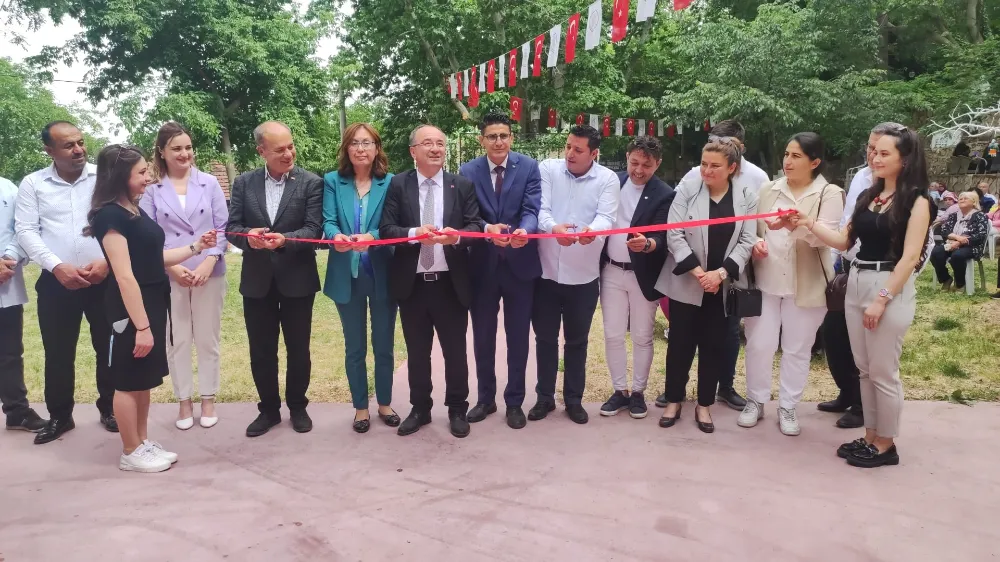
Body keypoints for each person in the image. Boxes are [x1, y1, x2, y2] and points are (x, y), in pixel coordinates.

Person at [787, 124, 933, 468]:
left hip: (888, 284)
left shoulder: (918, 200)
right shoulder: (871, 196)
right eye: (873, 151)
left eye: (885, 153)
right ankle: (871, 435)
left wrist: (883, 299)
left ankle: (886, 443)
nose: (875, 158)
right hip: (856, 280)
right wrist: (807, 222)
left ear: (906, 159)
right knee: (865, 370)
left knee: (883, 371)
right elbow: (842, 241)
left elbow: (911, 257)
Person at [84, 145, 217, 472]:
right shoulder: (109, 216)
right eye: (142, 172)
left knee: (142, 379)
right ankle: (130, 450)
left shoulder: (132, 210)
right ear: (120, 176)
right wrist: (141, 326)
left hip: (152, 303)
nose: (149, 176)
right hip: (130, 310)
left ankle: (141, 442)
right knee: (128, 380)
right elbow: (125, 275)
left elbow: (150, 258)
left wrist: (196, 247)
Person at [15, 121, 118, 444]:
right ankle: (60, 416)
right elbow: (26, 231)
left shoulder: (104, 178)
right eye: (68, 145)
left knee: (109, 347)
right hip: (57, 282)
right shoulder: (33, 184)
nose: (78, 150)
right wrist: (56, 266)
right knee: (58, 352)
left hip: (103, 278)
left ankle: (111, 408)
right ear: (49, 150)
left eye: (81, 142)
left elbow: (123, 221)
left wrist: (107, 262)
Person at [380, 124, 483, 438]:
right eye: (428, 143)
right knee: (417, 352)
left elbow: (475, 226)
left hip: (450, 284)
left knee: (455, 352)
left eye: (440, 143)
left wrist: (456, 238)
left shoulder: (460, 185)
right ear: (414, 151)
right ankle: (420, 409)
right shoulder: (398, 185)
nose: (436, 149)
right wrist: (414, 234)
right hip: (412, 285)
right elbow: (387, 229)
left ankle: (456, 409)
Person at [658, 119, 769, 410]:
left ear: (732, 166)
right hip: (688, 281)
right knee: (680, 345)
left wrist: (719, 275)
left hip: (723, 285)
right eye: (704, 164)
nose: (706, 171)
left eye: (714, 166)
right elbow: (675, 232)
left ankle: (705, 404)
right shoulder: (689, 187)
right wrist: (698, 272)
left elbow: (748, 239)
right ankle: (673, 400)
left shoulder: (747, 193)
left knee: (714, 346)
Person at [739, 133, 844, 436]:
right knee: (759, 345)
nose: (787, 161)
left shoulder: (829, 193)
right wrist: (757, 243)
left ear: (815, 161)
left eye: (796, 156)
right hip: (766, 280)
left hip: (807, 284)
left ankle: (788, 405)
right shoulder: (768, 189)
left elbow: (828, 238)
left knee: (797, 348)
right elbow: (753, 228)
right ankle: (755, 401)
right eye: (786, 154)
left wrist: (796, 226)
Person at [226, 121, 324, 438]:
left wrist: (285, 240)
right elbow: (233, 228)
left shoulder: (311, 183)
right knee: (262, 350)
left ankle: (297, 406)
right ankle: (268, 410)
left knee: (299, 349)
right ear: (261, 151)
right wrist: (248, 237)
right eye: (280, 149)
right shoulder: (243, 183)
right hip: (257, 282)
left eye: (290, 146)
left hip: (297, 279)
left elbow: (314, 230)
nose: (288, 153)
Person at [139, 121, 229, 430]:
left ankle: (208, 399)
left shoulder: (209, 184)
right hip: (170, 273)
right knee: (177, 340)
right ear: (162, 152)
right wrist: (173, 268)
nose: (184, 153)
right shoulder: (151, 190)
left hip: (209, 272)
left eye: (188, 147)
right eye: (176, 148)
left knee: (207, 338)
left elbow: (222, 227)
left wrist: (208, 262)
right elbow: (149, 235)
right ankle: (184, 402)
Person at [530, 124, 619, 425]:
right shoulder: (549, 169)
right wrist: (553, 228)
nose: (570, 153)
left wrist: (591, 233)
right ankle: (544, 398)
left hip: (583, 276)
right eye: (568, 146)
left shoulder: (607, 179)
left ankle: (573, 400)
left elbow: (606, 217)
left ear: (594, 153)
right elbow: (539, 209)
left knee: (577, 341)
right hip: (546, 274)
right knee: (544, 339)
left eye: (578, 150)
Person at [458, 112, 541, 430]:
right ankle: (485, 398)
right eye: (492, 136)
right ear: (482, 140)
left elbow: (532, 208)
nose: (498, 141)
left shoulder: (529, 167)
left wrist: (526, 231)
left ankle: (515, 401)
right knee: (482, 337)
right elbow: (468, 214)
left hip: (520, 264)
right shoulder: (468, 170)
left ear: (511, 138)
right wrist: (484, 227)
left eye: (504, 135)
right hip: (482, 266)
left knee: (519, 337)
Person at [322, 123, 400, 433]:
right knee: (354, 346)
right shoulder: (332, 181)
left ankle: (384, 403)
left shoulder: (392, 183)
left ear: (377, 148)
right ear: (346, 148)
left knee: (384, 344)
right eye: (354, 143)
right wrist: (336, 236)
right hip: (347, 276)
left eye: (367, 142)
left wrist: (373, 235)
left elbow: (395, 224)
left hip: (381, 274)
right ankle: (360, 408)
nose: (361, 148)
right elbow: (327, 221)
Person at [598, 136, 673, 420]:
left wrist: (649, 244)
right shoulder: (610, 182)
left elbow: (665, 236)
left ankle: (639, 392)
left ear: (658, 164)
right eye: (634, 162)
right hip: (611, 271)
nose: (639, 170)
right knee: (613, 333)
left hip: (643, 274)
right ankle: (619, 391)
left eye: (647, 165)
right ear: (627, 157)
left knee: (642, 336)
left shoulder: (665, 193)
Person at [1, 176, 47, 433]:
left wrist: (8, 258)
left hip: (5, 282)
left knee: (9, 353)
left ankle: (17, 411)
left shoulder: (8, 187)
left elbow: (22, 229)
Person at [929, 189, 989, 292]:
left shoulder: (980, 216)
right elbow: (944, 231)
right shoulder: (954, 216)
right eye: (960, 198)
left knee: (957, 256)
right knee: (935, 253)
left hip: (971, 246)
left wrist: (959, 242)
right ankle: (946, 279)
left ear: (973, 202)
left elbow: (980, 235)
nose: (962, 200)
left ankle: (960, 284)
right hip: (951, 243)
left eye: (965, 198)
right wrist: (957, 238)